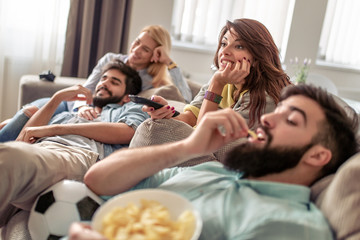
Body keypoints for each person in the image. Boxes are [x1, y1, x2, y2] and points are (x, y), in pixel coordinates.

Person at [68, 84, 359, 239]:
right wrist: (187, 147)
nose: (266, 119)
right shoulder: (210, 171)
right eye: (276, 111)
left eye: (291, 120)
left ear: (317, 155)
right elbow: (98, 179)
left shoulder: (291, 225)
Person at [0, 60, 150, 227]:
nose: (104, 83)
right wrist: (57, 98)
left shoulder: (129, 108)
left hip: (79, 154)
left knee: (8, 158)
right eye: (103, 78)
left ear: (126, 96)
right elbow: (25, 137)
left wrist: (54, 129)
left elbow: (128, 131)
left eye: (114, 82)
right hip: (40, 150)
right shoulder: (69, 112)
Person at [0, 24, 191, 142]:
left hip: (97, 115)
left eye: (146, 49)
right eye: (137, 42)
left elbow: (188, 98)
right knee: (29, 113)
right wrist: (81, 107)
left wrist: (169, 62)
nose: (137, 50)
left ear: (155, 54)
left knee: (23, 123)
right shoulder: (111, 59)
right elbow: (88, 87)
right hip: (74, 104)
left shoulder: (151, 80)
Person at [143, 19, 292, 129]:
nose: (225, 52)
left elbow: (202, 137)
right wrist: (167, 113)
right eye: (223, 44)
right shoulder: (223, 80)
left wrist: (217, 84)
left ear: (257, 57)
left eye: (239, 46)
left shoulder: (264, 97)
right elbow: (190, 118)